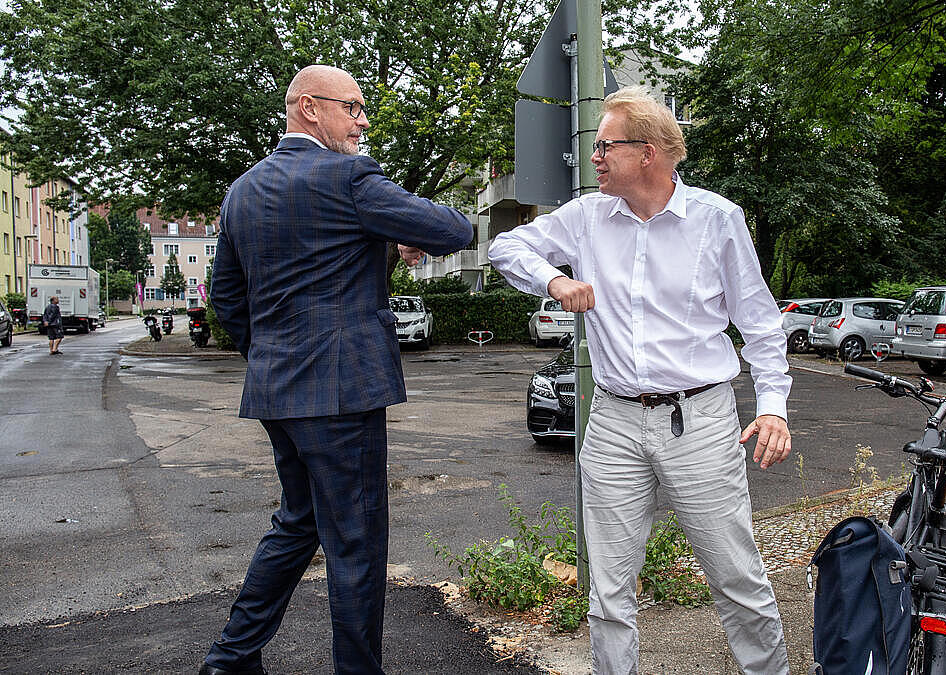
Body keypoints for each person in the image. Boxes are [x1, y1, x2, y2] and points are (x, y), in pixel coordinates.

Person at [489, 86, 793, 675]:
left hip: (700, 421)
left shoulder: (717, 220)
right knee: (607, 591)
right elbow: (507, 245)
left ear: (649, 151)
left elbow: (760, 323)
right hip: (613, 422)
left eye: (605, 146)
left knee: (735, 578)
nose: (593, 157)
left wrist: (774, 407)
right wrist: (553, 282)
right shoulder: (585, 218)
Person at [201, 64, 473, 675]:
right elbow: (453, 227)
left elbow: (227, 299)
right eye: (351, 107)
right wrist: (402, 233)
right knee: (356, 541)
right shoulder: (349, 177)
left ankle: (230, 657)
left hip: (278, 391)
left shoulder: (242, 191)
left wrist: (275, 356)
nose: (362, 120)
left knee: (299, 523)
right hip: (344, 394)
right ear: (309, 110)